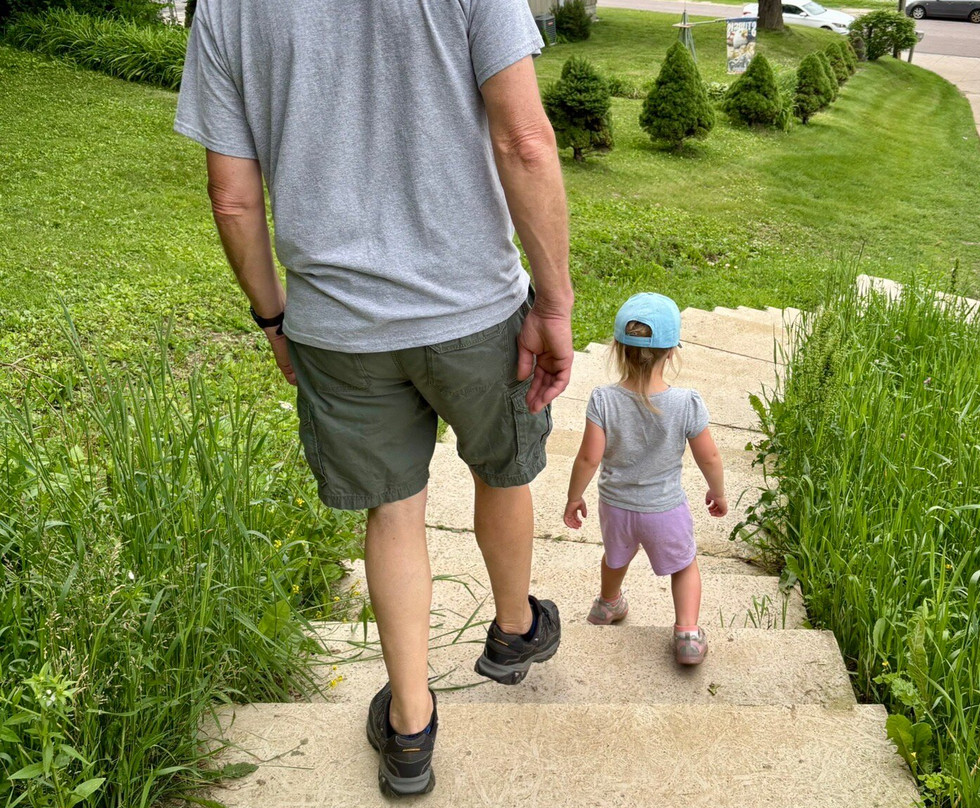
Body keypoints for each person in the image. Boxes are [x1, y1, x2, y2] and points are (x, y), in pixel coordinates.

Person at [174, 0, 573, 798]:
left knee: (393, 511)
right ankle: (516, 631)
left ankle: (411, 729)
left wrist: (272, 313)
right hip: (474, 310)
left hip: (338, 326)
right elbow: (524, 139)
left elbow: (232, 196)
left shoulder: (226, 8)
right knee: (504, 468)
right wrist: (554, 303)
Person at [562, 293, 727, 665]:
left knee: (615, 557)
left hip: (616, 507)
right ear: (672, 352)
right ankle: (686, 633)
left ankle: (607, 605)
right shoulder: (687, 403)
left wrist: (574, 497)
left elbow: (589, 456)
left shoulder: (603, 399)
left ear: (618, 349)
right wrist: (718, 492)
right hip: (664, 509)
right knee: (684, 565)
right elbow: (710, 456)